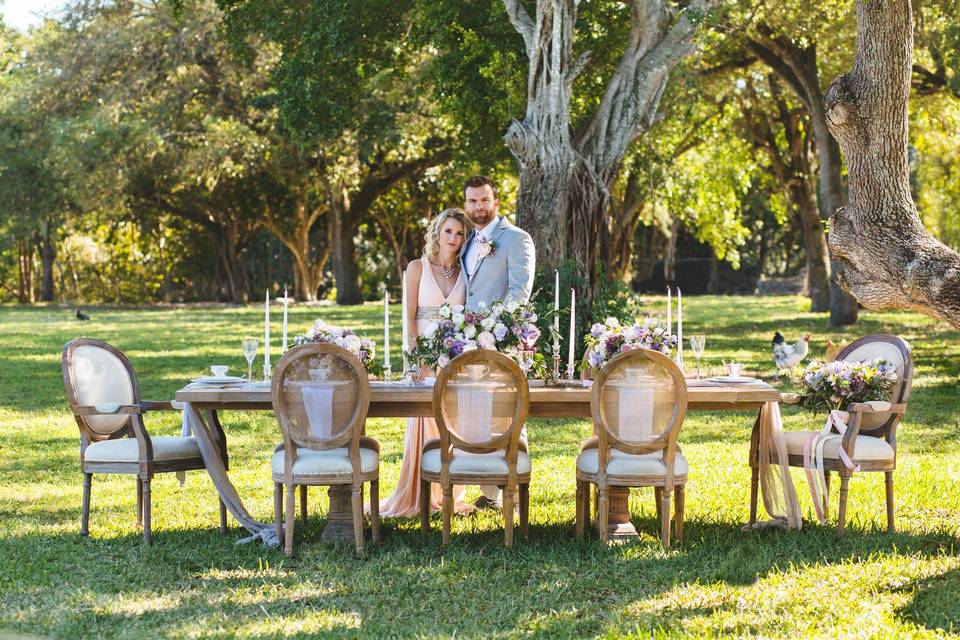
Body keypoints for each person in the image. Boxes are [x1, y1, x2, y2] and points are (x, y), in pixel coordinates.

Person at [379, 208, 474, 517]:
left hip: (454, 356)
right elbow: (408, 317)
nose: (454, 238)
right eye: (448, 231)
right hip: (421, 356)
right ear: (437, 232)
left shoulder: (465, 272)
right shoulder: (417, 267)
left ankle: (449, 493)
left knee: (452, 421)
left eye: (459, 233)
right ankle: (418, 495)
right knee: (422, 422)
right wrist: (416, 356)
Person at [459, 175, 536, 509]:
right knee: (476, 416)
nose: (478, 207)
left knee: (510, 416)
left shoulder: (516, 239)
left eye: (484, 200)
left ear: (495, 202)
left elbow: (520, 292)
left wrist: (492, 327)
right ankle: (490, 494)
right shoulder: (465, 241)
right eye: (473, 201)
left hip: (501, 342)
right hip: (466, 345)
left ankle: (515, 493)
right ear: (466, 204)